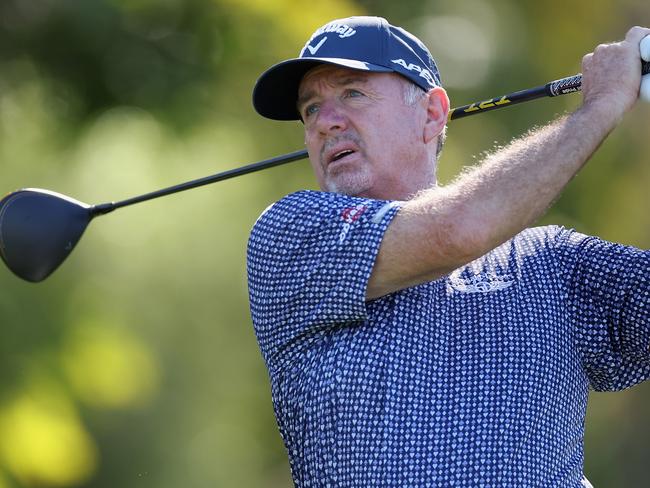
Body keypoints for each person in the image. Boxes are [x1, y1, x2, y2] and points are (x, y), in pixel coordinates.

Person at [247, 16, 649, 487]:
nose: (325, 123)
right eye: (310, 109)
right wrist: (603, 104)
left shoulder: (553, 262)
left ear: (433, 114)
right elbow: (458, 228)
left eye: (352, 93)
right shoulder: (291, 235)